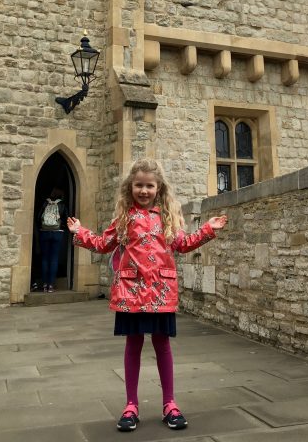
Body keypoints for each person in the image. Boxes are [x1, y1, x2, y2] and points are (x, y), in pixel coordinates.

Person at [67, 158, 227, 432]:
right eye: (139, 185)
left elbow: (184, 244)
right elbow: (104, 244)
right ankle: (131, 406)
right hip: (131, 292)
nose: (144, 191)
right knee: (134, 345)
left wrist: (208, 230)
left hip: (161, 292)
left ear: (159, 188)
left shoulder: (168, 217)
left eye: (149, 186)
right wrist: (79, 232)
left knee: (162, 345)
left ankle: (170, 404)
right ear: (130, 187)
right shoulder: (124, 218)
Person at [38, 187, 68, 292]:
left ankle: (45, 284)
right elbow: (66, 218)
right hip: (57, 233)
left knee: (45, 258)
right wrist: (61, 226)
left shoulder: (45, 203)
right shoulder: (62, 204)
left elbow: (38, 217)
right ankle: (51, 285)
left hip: (44, 232)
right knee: (54, 258)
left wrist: (41, 227)